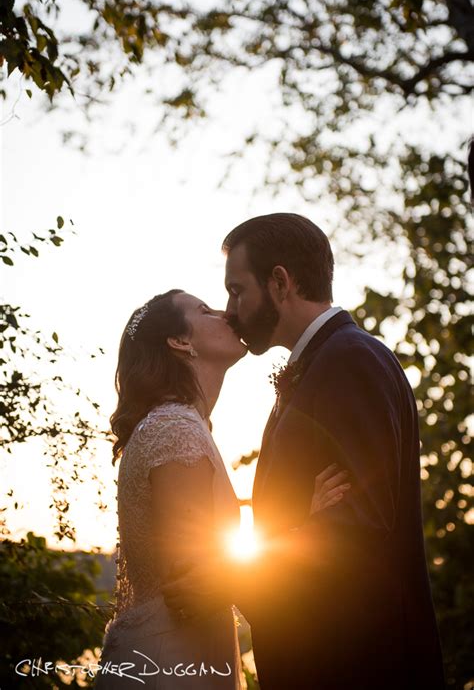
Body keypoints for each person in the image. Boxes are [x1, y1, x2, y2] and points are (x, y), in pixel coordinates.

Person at [163, 214, 446, 689]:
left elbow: (354, 530)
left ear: (280, 282)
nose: (230, 311)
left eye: (237, 291)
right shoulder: (319, 366)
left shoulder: (350, 360)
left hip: (358, 668)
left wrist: (227, 579)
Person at [95, 288, 347, 689]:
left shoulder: (181, 426)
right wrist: (306, 526)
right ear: (180, 342)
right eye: (205, 310)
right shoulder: (174, 430)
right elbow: (192, 584)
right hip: (170, 664)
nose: (226, 314)